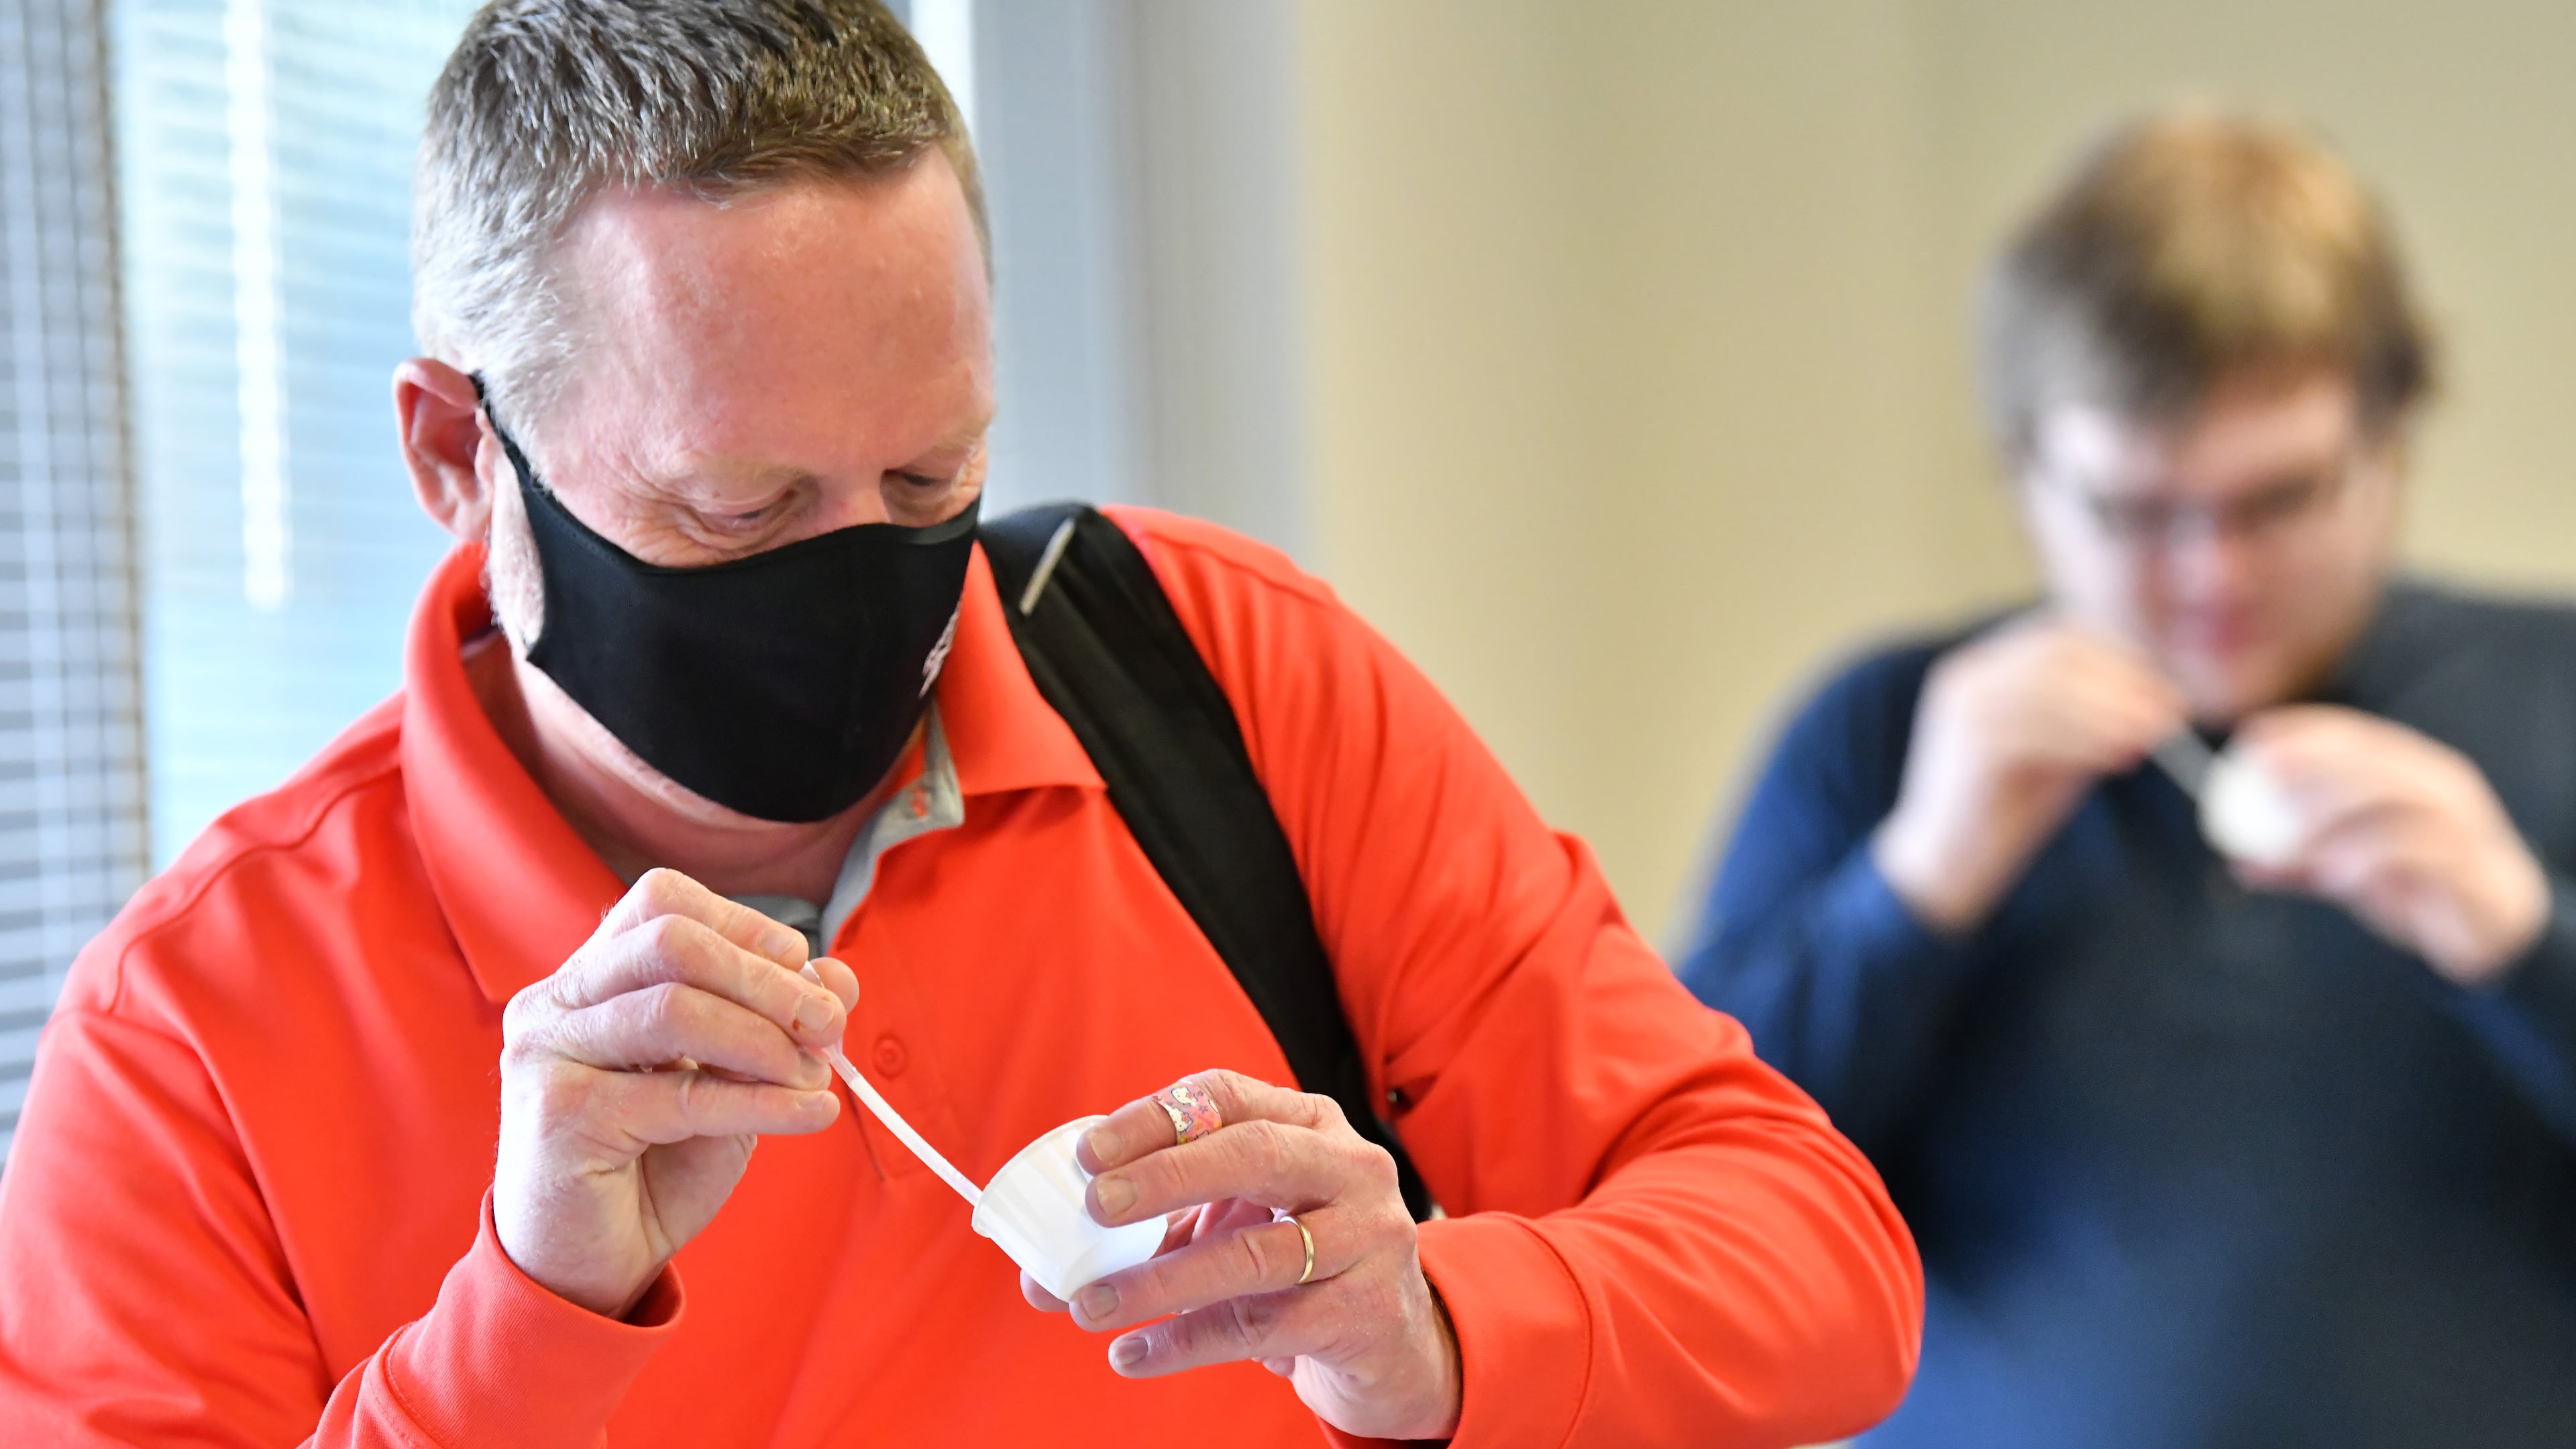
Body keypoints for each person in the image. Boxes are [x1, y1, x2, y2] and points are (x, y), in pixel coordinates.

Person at [0, 3, 1921, 1446]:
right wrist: (536, 1303)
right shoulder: (196, 1035)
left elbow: (1824, 1265)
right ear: (451, 456)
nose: (863, 589)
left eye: (931, 481)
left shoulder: (1218, 683)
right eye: (738, 513)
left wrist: (1432, 1318)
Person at [1682, 105, 2576, 1448]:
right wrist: (1916, 885)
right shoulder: (1884, 735)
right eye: (2140, 511)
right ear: (2027, 469)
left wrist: (2522, 940)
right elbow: (1680, 1202)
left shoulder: (2555, 698)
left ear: (2391, 439)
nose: (2214, 573)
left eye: (2280, 500)